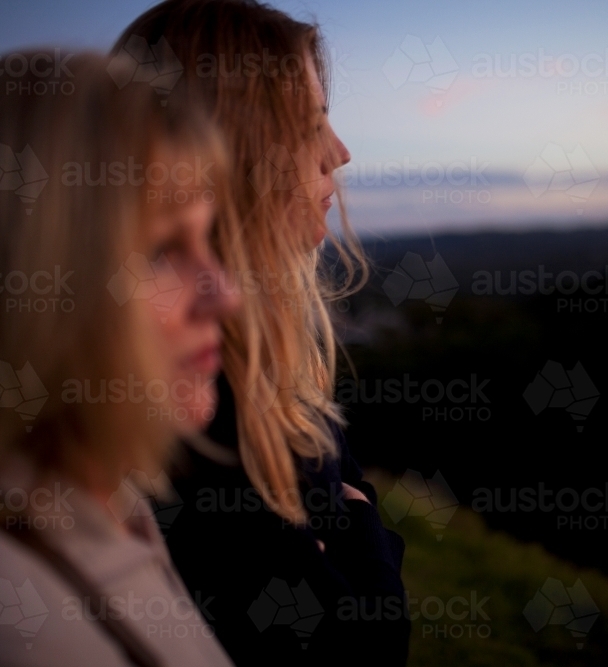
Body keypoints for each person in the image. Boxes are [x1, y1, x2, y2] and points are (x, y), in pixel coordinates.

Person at [0, 52, 239, 666]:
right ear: (10, 286)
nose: (225, 293)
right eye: (162, 249)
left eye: (207, 240)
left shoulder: (108, 505)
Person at [115, 2, 410, 665]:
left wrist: (353, 534)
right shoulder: (202, 399)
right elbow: (361, 650)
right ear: (234, 153)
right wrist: (365, 530)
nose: (339, 152)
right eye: (309, 127)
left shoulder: (269, 353)